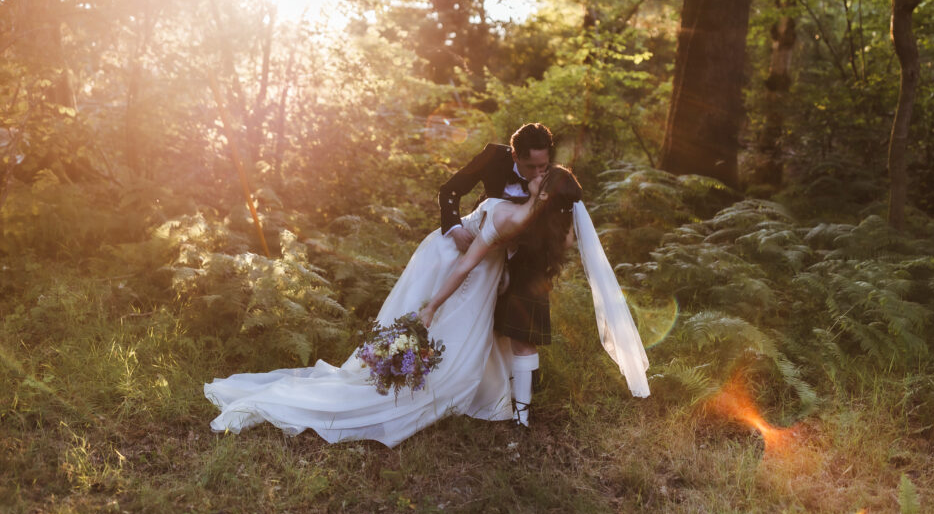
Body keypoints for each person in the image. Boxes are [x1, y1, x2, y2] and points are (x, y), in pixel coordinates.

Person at [204, 166, 649, 447]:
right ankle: (512, 411)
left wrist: (434, 306)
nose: (534, 174)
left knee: (452, 343)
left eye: (541, 176)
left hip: (467, 271)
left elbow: (467, 266)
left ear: (544, 193)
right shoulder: (546, 220)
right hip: (465, 265)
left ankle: (437, 379)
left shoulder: (511, 216)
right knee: (465, 346)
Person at [437, 122, 557, 424]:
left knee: (519, 329)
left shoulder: (553, 177)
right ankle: (465, 384)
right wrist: (454, 228)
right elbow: (450, 189)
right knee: (472, 316)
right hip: (486, 242)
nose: (538, 173)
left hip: (526, 257)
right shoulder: (493, 156)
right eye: (531, 166)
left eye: (544, 164)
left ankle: (520, 405)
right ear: (514, 155)